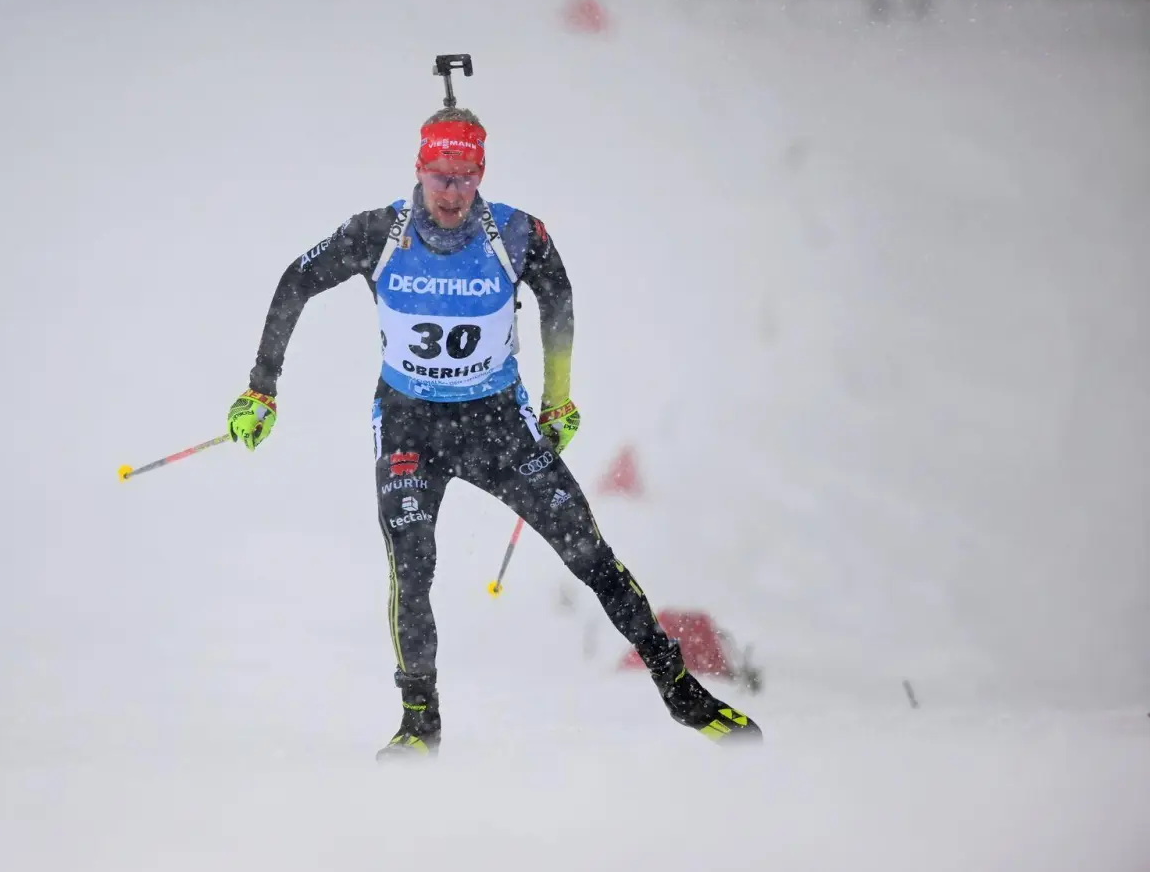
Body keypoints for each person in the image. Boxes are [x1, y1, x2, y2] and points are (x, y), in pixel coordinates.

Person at [225, 106, 762, 759]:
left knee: (590, 555)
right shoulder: (379, 234)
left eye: (464, 178)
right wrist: (262, 385)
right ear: (419, 170)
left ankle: (683, 693)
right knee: (412, 567)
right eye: (439, 177)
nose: (451, 193)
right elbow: (296, 281)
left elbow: (557, 298)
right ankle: (419, 721)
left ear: (481, 173)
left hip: (497, 428)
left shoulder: (515, 233)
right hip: (410, 429)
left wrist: (557, 399)